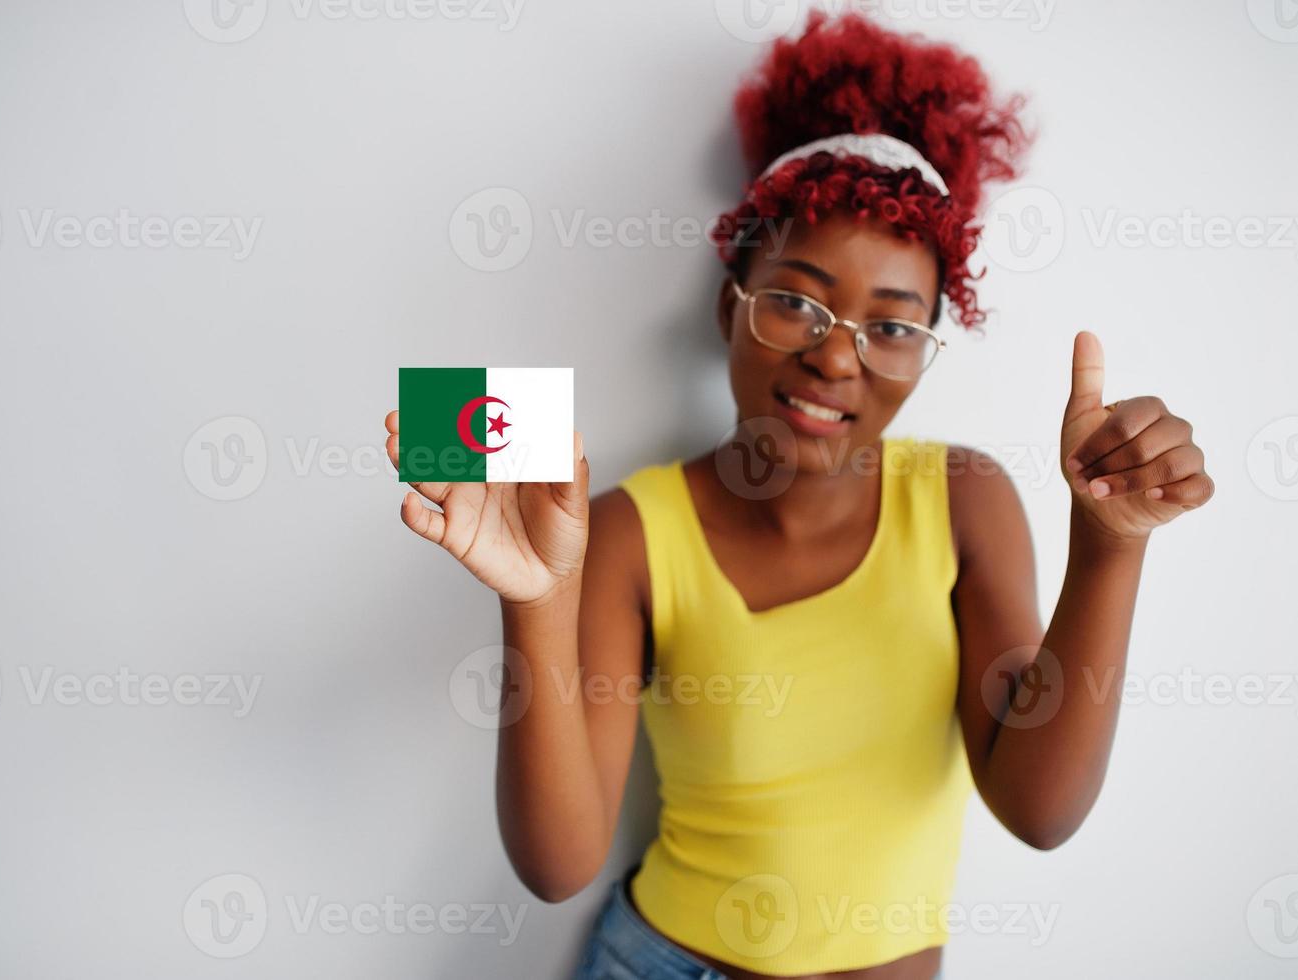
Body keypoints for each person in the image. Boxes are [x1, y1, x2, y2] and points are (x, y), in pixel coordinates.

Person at [384, 12, 1214, 979]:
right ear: (728, 301)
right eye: (796, 300)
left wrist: (1110, 547)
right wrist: (532, 601)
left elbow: (1039, 809)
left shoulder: (964, 501)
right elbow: (557, 865)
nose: (833, 355)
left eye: (891, 326)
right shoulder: (624, 531)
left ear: (926, 352)